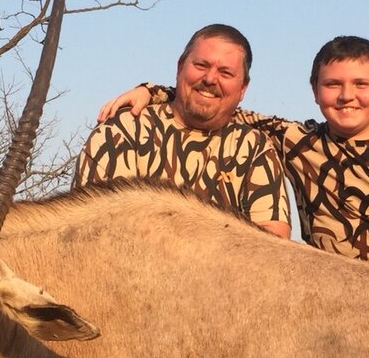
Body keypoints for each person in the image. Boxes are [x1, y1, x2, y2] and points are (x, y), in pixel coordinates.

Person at [98, 36, 369, 285]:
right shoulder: (297, 141)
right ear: (315, 92)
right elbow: (221, 104)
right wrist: (153, 91)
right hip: (333, 298)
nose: (347, 96)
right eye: (333, 85)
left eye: (361, 85)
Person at [74, 23, 291, 239]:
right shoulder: (121, 130)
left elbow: (274, 242)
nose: (210, 79)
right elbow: (98, 230)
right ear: (180, 67)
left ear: (243, 88)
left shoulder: (255, 148)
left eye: (225, 73)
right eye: (201, 65)